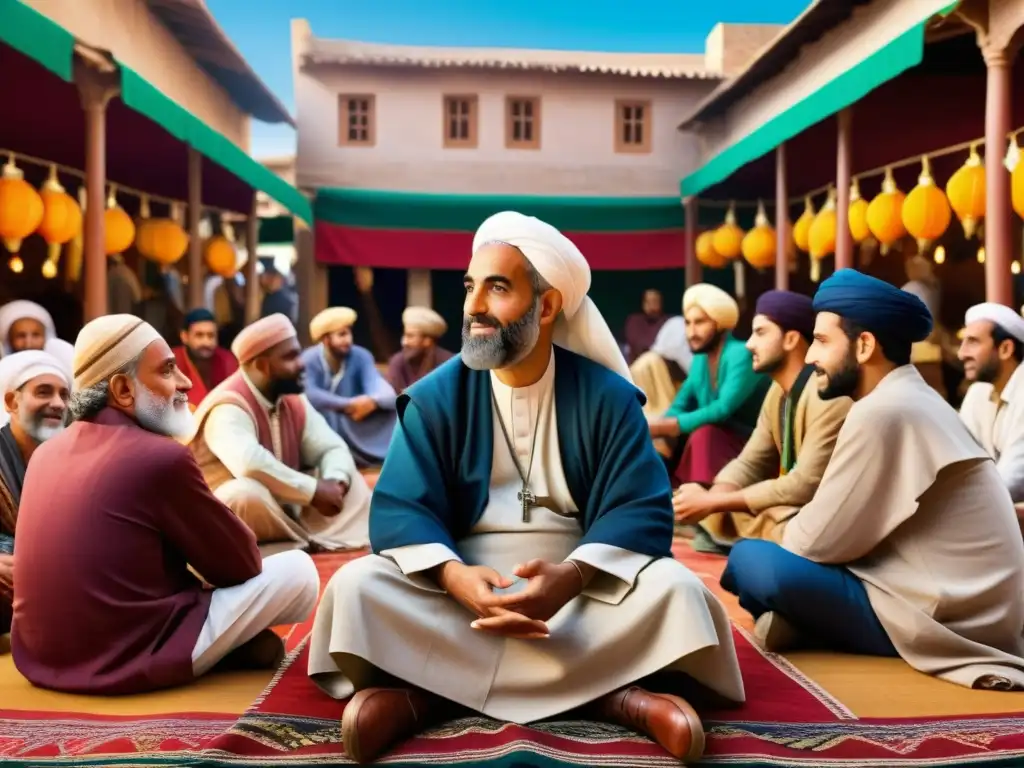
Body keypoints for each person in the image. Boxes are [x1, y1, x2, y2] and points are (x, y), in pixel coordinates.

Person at [308, 212, 744, 765]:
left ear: (546, 304)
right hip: (458, 592)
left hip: (582, 594)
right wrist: (454, 576)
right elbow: (400, 509)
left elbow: (641, 509)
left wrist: (573, 576)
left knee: (676, 591)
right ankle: (612, 694)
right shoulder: (435, 399)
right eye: (470, 287)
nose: (473, 307)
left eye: (497, 287)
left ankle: (427, 694)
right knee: (357, 586)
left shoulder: (607, 399)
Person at [721, 270, 1024, 691]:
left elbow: (813, 544)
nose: (810, 357)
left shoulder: (883, 410)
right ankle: (808, 626)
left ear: (864, 346)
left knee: (750, 561)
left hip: (941, 618)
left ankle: (808, 627)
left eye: (822, 341)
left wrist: (785, 527)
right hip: (969, 608)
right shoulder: (908, 398)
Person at [11, 315, 319, 694]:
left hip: (41, 656)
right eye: (169, 370)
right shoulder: (160, 457)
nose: (186, 383)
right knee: (298, 571)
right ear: (123, 390)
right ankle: (222, 649)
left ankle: (228, 648)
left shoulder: (45, 452)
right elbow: (241, 565)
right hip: (130, 655)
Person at [674, 291, 851, 552]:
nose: (749, 344)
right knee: (740, 511)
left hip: (825, 515)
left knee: (774, 524)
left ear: (791, 339)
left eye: (760, 333)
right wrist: (712, 500)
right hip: (788, 506)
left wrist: (713, 504)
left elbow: (803, 486)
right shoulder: (778, 391)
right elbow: (750, 461)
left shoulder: (827, 396)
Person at [186, 314, 371, 551]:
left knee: (349, 477)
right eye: (291, 357)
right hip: (225, 516)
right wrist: (313, 491)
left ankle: (311, 539)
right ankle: (289, 542)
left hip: (284, 508)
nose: (302, 363)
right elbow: (249, 464)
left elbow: (330, 446)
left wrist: (335, 482)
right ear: (262, 365)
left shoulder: (292, 400)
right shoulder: (228, 407)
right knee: (243, 494)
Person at [648, 284, 769, 487]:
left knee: (704, 433)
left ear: (720, 324)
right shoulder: (701, 359)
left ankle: (702, 499)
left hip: (751, 445)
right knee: (665, 436)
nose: (691, 332)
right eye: (687, 323)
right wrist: (659, 429)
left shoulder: (740, 354)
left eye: (700, 323)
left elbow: (722, 409)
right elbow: (682, 403)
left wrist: (665, 426)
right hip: (718, 442)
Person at [0, 350, 71, 642]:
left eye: (64, 395)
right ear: (11, 402)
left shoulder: (72, 459)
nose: (57, 404)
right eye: (44, 392)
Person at [301, 307, 398, 467]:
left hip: (352, 425)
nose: (348, 340)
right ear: (325, 340)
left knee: (391, 410)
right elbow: (310, 393)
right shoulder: (309, 359)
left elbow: (383, 391)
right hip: (318, 425)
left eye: (349, 333)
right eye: (341, 335)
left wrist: (372, 401)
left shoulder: (360, 356)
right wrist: (348, 405)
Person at [958, 302, 1024, 506]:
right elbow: (959, 459)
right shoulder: (978, 391)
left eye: (973, 342)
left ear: (1005, 349)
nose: (962, 353)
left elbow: (1013, 478)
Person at [172, 308, 239, 410]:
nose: (206, 342)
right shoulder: (170, 361)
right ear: (185, 336)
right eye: (199, 335)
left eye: (211, 336)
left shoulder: (227, 361)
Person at [385, 306, 455, 391]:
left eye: (410, 336)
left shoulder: (448, 362)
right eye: (405, 335)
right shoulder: (398, 360)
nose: (404, 342)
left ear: (427, 341)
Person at [623, 289, 668, 364]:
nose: (651, 307)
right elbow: (636, 344)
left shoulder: (667, 323)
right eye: (648, 302)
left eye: (654, 302)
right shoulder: (634, 321)